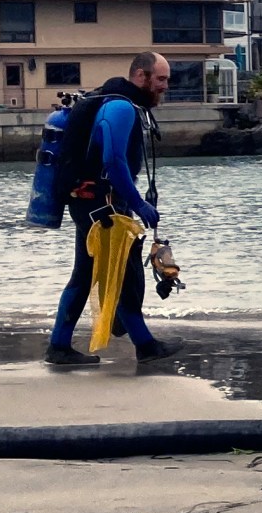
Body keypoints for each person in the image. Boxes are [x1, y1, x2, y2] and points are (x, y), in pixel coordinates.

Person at [46, 52, 174, 366]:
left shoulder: (117, 102)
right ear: (141, 76)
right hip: (101, 205)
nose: (164, 86)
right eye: (160, 79)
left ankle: (59, 346)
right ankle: (145, 345)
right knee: (125, 274)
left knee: (87, 274)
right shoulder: (120, 107)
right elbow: (113, 161)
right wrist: (138, 203)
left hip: (89, 201)